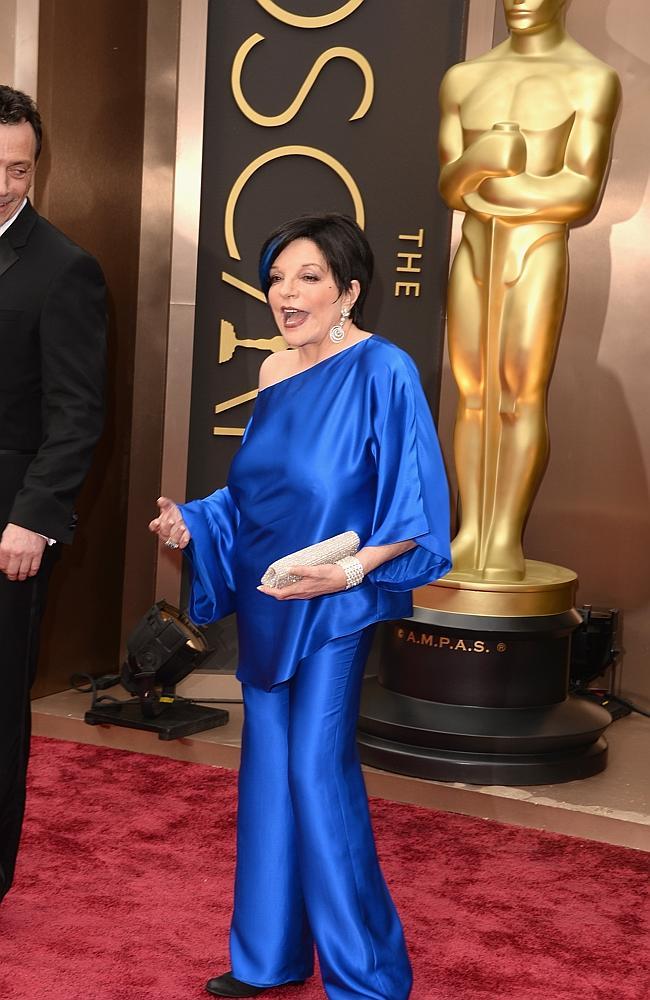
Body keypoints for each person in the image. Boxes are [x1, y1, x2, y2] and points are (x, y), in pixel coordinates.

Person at [150, 213, 451, 999]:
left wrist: (351, 572)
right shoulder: (274, 374)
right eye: (278, 277)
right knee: (266, 774)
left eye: (309, 277)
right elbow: (255, 493)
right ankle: (268, 958)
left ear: (349, 291)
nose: (286, 293)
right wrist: (197, 520)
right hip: (271, 597)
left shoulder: (385, 370)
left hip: (333, 609)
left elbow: (413, 503)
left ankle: (368, 974)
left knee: (318, 774)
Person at [438, 0, 620, 580]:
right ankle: (470, 529)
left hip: (536, 250)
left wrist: (486, 186)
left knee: (519, 393)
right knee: (472, 392)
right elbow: (448, 184)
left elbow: (578, 191)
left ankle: (503, 538)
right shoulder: (465, 78)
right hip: (473, 251)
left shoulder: (591, 79)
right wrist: (480, 161)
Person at [0, 86, 106, 900]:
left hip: (8, 520)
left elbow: (78, 413)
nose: (4, 181)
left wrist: (33, 519)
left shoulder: (64, 268)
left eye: (19, 168)